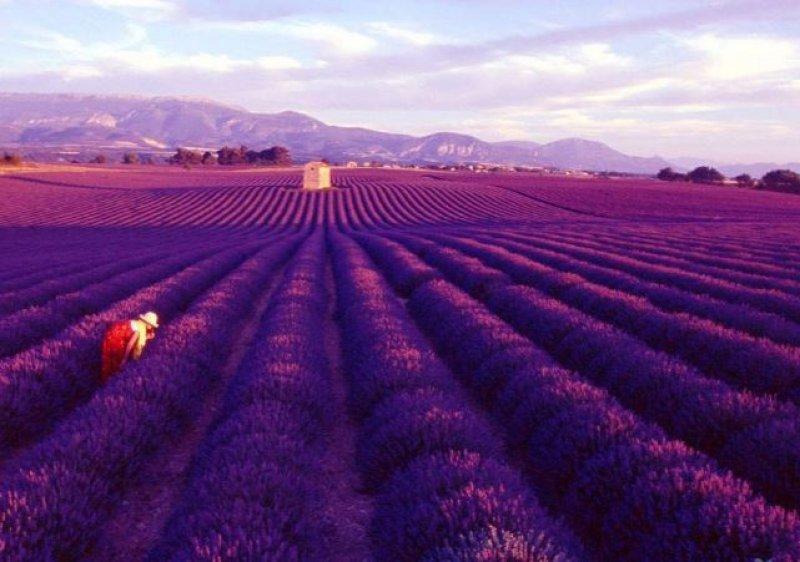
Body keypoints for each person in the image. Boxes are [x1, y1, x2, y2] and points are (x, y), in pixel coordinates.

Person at [100, 311, 159, 382]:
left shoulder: (137, 323)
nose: (152, 327)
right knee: (116, 364)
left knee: (108, 362)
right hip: (115, 341)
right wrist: (124, 359)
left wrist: (147, 337)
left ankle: (106, 380)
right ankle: (109, 381)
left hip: (110, 335)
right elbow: (130, 344)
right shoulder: (139, 331)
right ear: (148, 324)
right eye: (152, 325)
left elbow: (134, 337)